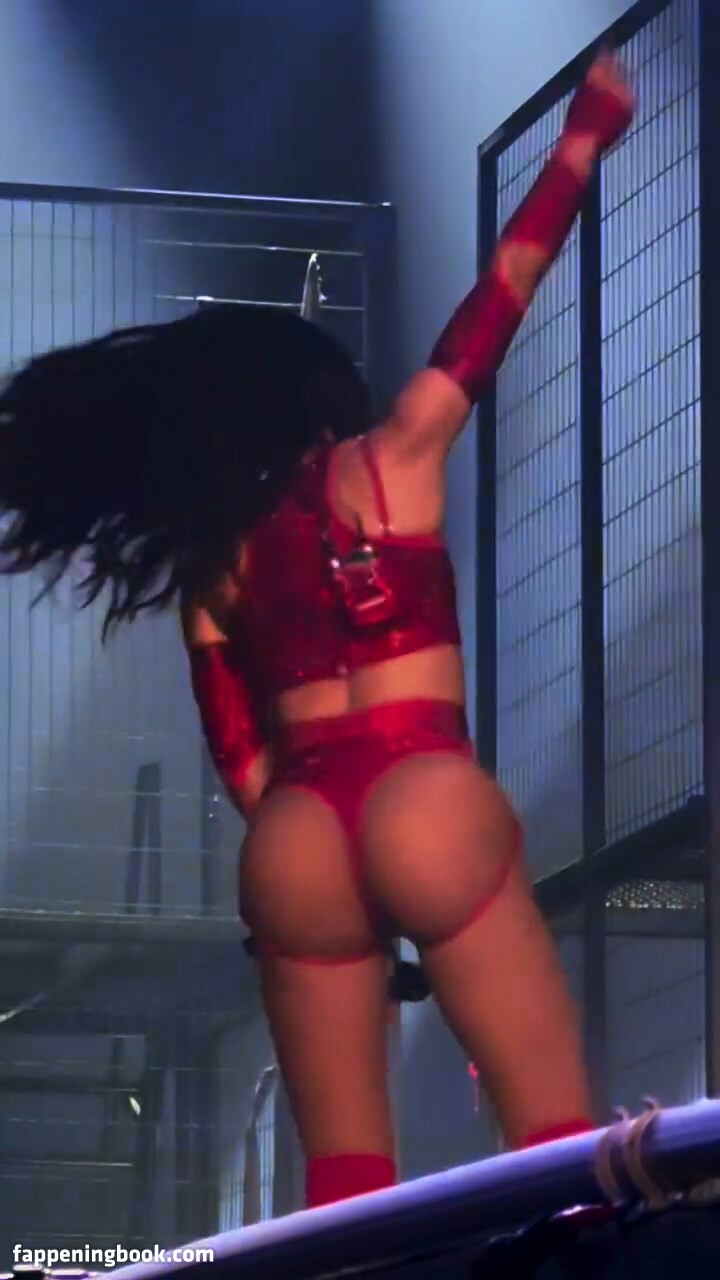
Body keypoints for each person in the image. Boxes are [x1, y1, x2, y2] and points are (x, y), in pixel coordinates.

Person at [0, 53, 633, 1211]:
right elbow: (499, 299)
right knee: (558, 1144)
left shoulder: (215, 560)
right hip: (421, 789)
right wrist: (580, 145)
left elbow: (240, 755)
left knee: (342, 1190)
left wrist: (315, 841)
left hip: (296, 836)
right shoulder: (391, 461)